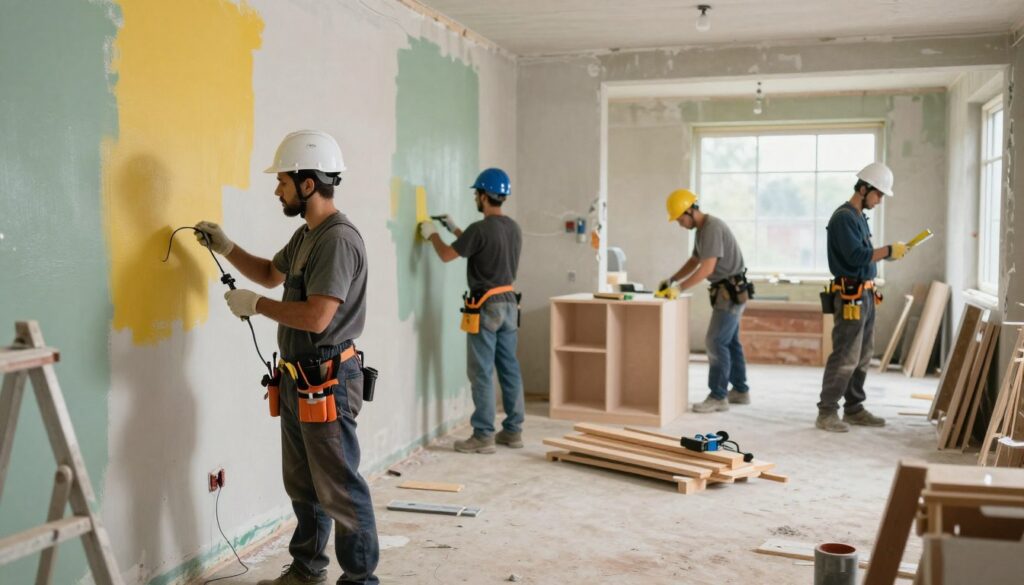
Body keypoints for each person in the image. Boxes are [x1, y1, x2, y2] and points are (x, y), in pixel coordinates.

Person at [195, 130, 379, 584]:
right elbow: (270, 274)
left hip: (330, 380)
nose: (277, 190)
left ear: (308, 183)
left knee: (338, 484)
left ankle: (360, 579)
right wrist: (226, 247)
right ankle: (306, 569)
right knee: (303, 483)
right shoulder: (306, 236)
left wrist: (255, 305)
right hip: (299, 379)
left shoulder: (337, 240)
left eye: (282, 181)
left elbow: (317, 317)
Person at [418, 168, 526, 454]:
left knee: (481, 372)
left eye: (476, 194)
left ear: (483, 195)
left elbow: (446, 255)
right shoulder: (512, 227)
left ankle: (483, 435)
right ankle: (513, 432)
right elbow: (481, 246)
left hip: (485, 308)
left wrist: (431, 235)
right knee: (509, 368)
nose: (475, 199)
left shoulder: (480, 229)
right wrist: (453, 228)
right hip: (509, 304)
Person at [817, 162, 907, 432]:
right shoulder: (843, 218)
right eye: (878, 194)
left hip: (865, 293)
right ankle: (827, 411)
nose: (879, 201)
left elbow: (864, 257)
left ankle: (854, 408)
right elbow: (856, 256)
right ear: (864, 188)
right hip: (850, 296)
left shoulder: (858, 217)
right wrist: (889, 249)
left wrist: (889, 253)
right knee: (845, 355)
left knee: (864, 354)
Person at [659, 189, 753, 413]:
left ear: (690, 211)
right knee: (729, 342)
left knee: (715, 341)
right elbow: (695, 260)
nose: (680, 224)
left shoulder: (712, 228)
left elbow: (707, 268)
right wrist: (671, 280)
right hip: (728, 291)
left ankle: (718, 396)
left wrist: (679, 289)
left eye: (680, 218)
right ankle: (740, 390)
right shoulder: (702, 230)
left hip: (730, 293)